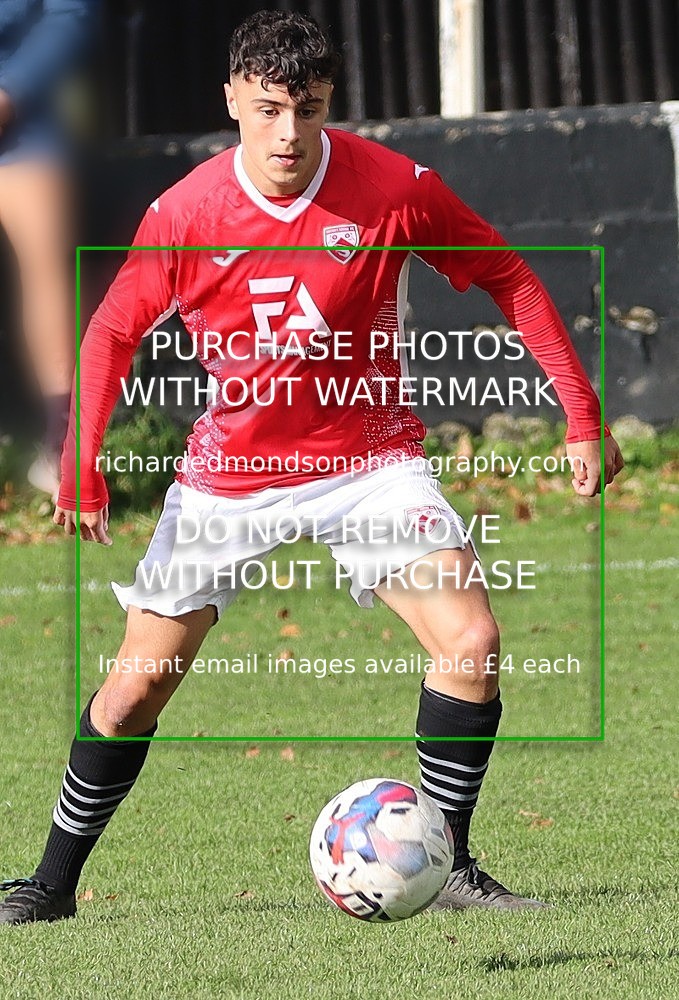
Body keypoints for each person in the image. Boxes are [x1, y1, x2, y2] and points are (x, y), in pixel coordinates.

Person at [0, 9, 623, 924]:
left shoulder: (394, 187)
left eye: (309, 107)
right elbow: (114, 328)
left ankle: (444, 859)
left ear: (329, 103)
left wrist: (581, 416)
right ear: (231, 102)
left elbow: (511, 276)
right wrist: (82, 460)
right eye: (267, 109)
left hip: (369, 462)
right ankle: (50, 885)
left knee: (470, 645)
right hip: (230, 476)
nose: (288, 132)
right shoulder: (185, 210)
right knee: (133, 690)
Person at [0, 0, 99, 499]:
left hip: (25, 125)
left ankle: (63, 448)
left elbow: (70, 16)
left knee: (47, 268)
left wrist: (8, 94)